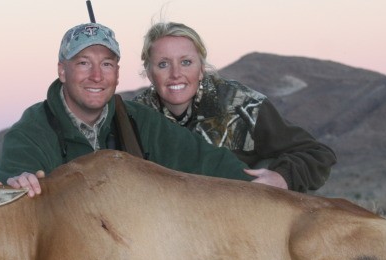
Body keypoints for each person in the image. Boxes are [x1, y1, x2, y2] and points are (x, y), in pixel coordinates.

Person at [0, 21, 277, 195]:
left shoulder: (138, 120)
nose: (96, 76)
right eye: (83, 63)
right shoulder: (32, 131)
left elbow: (204, 159)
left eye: (106, 64)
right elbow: (11, 185)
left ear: (117, 73)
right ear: (62, 71)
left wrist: (258, 186)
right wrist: (18, 184)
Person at [134, 21, 336, 193]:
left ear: (202, 69)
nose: (176, 73)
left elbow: (317, 154)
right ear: (149, 73)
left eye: (186, 62)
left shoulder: (242, 106)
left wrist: (282, 178)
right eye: (163, 64)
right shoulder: (135, 117)